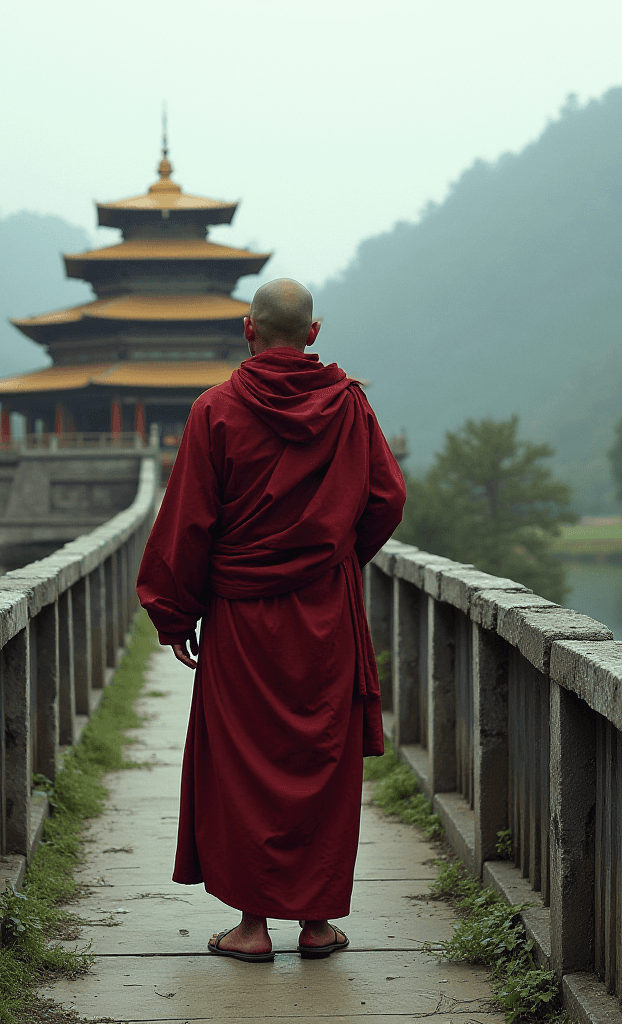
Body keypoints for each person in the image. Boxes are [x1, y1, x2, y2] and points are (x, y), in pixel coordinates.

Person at [136, 278, 406, 962]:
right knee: (321, 759)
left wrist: (175, 612)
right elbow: (385, 499)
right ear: (313, 333)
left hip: (242, 620)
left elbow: (189, 521)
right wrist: (335, 557)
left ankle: (252, 928)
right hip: (326, 615)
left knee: (245, 765)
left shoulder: (215, 410)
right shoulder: (349, 407)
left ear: (248, 329)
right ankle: (316, 924)